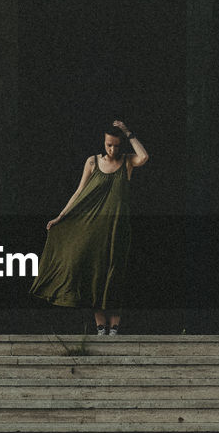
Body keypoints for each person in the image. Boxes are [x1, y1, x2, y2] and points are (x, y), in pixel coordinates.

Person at [29, 120, 149, 334]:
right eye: (108, 145)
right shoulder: (93, 162)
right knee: (94, 273)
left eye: (116, 145)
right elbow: (78, 193)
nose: (112, 149)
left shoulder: (127, 162)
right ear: (103, 142)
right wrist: (60, 216)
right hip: (93, 227)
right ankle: (100, 325)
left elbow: (144, 157)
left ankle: (115, 327)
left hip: (117, 228)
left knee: (115, 275)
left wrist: (128, 132)